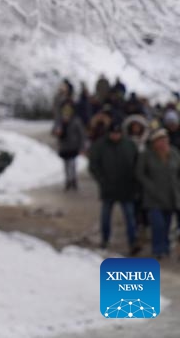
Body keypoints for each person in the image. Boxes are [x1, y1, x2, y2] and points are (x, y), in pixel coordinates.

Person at [87, 120, 140, 255]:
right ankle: (105, 239)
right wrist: (102, 180)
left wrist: (134, 181)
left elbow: (137, 163)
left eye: (118, 133)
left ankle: (133, 242)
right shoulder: (100, 146)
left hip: (126, 188)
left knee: (129, 216)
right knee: (105, 216)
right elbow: (93, 165)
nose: (115, 136)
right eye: (113, 133)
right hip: (108, 188)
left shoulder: (129, 145)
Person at [135, 128, 180, 260]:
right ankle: (157, 249)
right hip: (153, 196)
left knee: (166, 224)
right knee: (157, 224)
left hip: (171, 195)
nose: (163, 143)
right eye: (160, 140)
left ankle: (165, 247)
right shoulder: (146, 155)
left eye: (165, 140)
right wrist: (150, 185)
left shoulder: (174, 153)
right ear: (154, 142)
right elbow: (139, 173)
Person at [52, 103, 85, 191]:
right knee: (66, 165)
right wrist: (57, 132)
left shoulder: (76, 120)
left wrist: (82, 147)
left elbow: (81, 134)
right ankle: (68, 181)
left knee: (72, 164)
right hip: (64, 147)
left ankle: (73, 180)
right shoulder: (59, 120)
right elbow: (54, 131)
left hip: (73, 147)